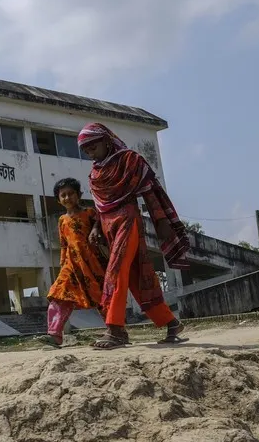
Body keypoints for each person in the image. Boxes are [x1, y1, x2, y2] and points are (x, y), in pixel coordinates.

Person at [77, 122, 190, 350]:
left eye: (93, 147)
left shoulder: (130, 160)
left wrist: (161, 221)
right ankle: (171, 323)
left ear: (106, 141)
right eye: (86, 151)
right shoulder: (95, 172)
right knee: (137, 276)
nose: (91, 153)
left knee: (116, 272)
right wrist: (96, 228)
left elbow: (150, 191)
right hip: (108, 225)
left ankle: (115, 330)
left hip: (127, 220)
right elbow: (100, 206)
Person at [41, 177, 107, 347]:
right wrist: (63, 263)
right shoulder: (62, 220)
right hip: (70, 264)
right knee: (59, 294)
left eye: (71, 193)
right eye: (63, 195)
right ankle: (55, 334)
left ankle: (115, 329)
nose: (67, 198)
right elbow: (64, 243)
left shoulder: (90, 213)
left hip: (92, 262)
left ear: (79, 195)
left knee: (102, 296)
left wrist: (95, 228)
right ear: (58, 200)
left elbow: (100, 226)